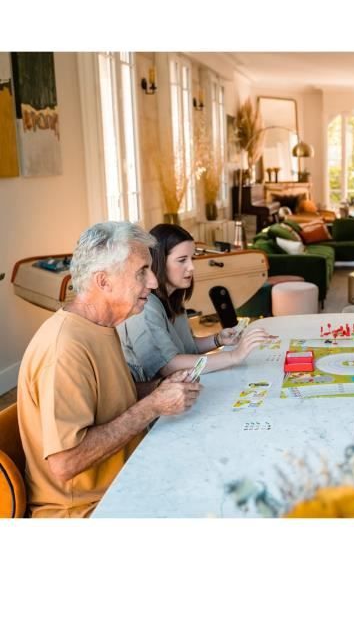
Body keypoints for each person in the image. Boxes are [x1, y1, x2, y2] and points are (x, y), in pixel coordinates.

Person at [17, 222, 202, 518]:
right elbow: (65, 462)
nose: (154, 282)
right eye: (142, 271)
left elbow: (106, 399)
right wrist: (153, 406)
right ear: (103, 282)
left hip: (128, 478)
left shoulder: (101, 325)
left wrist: (157, 389)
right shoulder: (64, 348)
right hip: (87, 509)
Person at [117, 223, 274, 382]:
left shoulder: (173, 298)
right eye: (182, 260)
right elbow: (168, 366)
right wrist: (234, 355)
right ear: (160, 261)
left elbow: (188, 348)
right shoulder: (145, 306)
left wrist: (218, 339)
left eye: (192, 258)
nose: (191, 267)